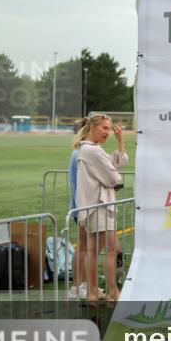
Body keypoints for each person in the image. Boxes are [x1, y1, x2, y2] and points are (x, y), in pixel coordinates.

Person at [73, 113, 128, 303]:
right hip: (100, 205)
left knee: (94, 251)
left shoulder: (89, 149)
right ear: (92, 128)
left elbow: (116, 163)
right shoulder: (93, 151)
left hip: (92, 207)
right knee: (110, 250)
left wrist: (120, 141)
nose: (108, 132)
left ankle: (94, 291)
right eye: (105, 128)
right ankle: (112, 292)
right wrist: (114, 178)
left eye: (110, 129)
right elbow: (114, 177)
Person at [66, 119, 87, 299]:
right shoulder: (79, 153)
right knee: (83, 247)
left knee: (86, 247)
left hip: (80, 206)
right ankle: (76, 285)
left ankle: (83, 283)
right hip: (81, 207)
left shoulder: (79, 152)